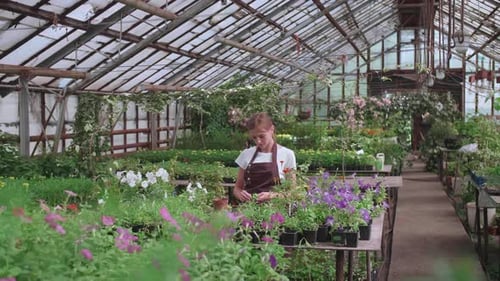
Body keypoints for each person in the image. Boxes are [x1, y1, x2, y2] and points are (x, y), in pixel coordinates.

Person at [233, 112, 296, 203]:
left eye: (262, 136)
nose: (258, 141)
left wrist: (272, 195)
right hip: (249, 209)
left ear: (272, 130)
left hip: (277, 212)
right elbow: (237, 188)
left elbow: (293, 192)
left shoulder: (287, 154)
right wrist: (240, 194)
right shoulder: (246, 154)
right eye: (254, 137)